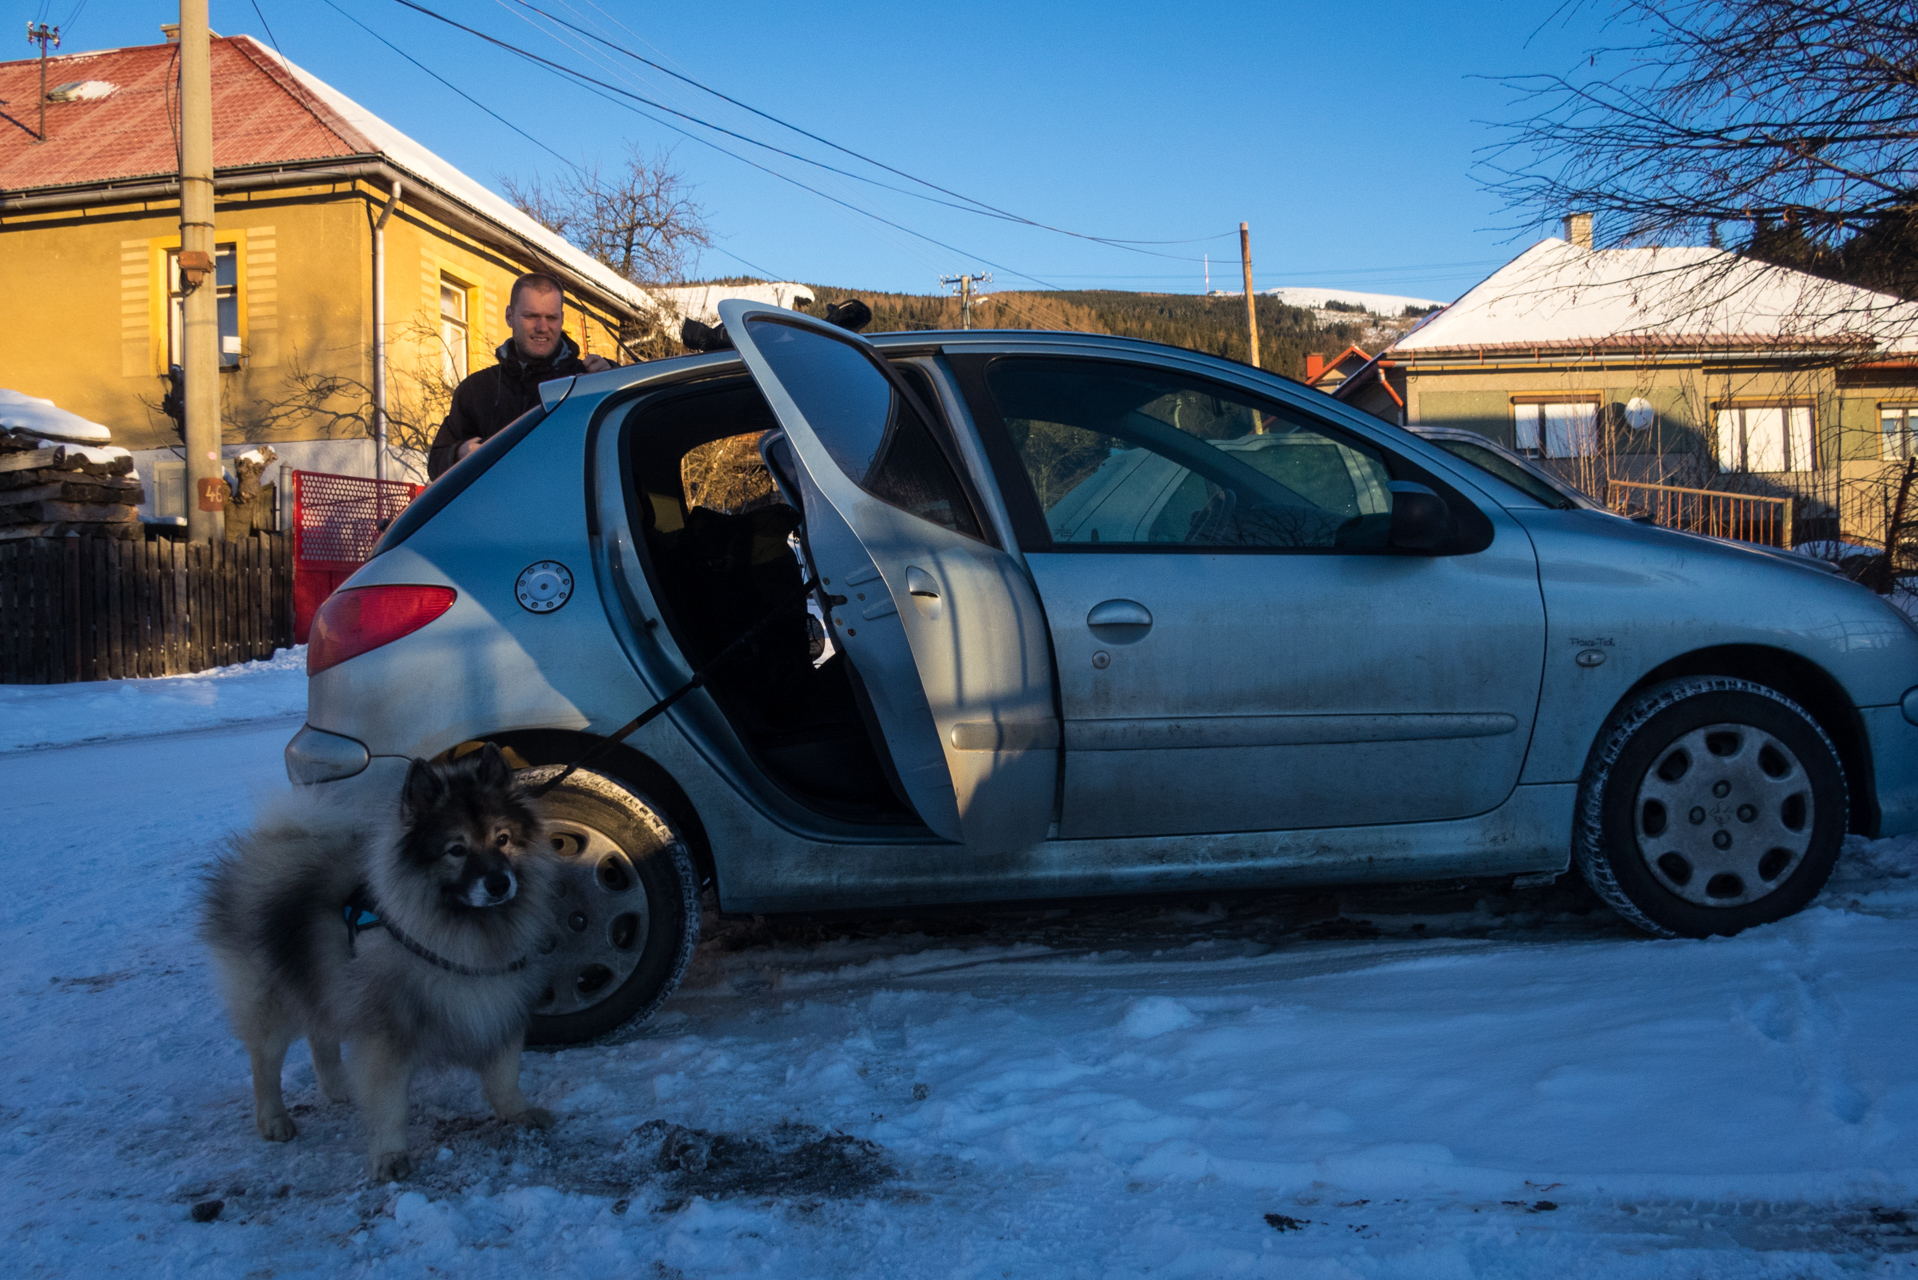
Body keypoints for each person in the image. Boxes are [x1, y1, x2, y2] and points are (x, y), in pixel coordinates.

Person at [426, 272, 616, 479]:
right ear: (509, 317)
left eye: (551, 317)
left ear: (561, 319)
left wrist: (615, 377)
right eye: (531, 316)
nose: (542, 327)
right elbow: (436, 465)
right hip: (502, 510)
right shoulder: (476, 390)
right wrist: (457, 454)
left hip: (574, 510)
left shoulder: (591, 382)